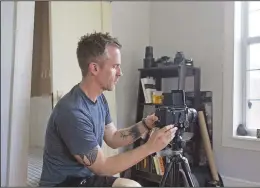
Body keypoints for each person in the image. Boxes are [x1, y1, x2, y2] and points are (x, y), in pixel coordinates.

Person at [39, 32, 177, 187]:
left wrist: (145, 125)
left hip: (85, 178)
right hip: (63, 183)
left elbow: (113, 138)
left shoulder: (99, 99)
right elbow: (103, 167)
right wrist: (150, 147)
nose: (120, 73)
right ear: (94, 68)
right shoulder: (72, 112)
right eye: (115, 66)